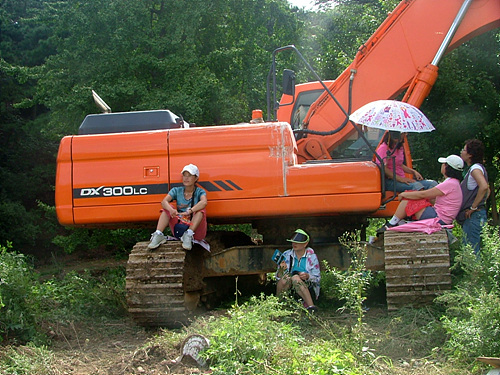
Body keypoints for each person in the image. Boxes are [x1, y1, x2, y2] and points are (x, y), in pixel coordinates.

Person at [377, 155, 463, 233]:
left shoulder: (450, 184)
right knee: (413, 197)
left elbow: (424, 194)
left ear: (446, 167)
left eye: (443, 164)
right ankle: (398, 221)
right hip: (442, 217)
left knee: (409, 198)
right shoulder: (454, 183)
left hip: (439, 219)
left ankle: (392, 223)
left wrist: (404, 194)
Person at [148, 164, 208, 250]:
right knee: (168, 207)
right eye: (184, 175)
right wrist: (171, 210)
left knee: (201, 209)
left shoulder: (199, 192)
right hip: (179, 227)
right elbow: (164, 202)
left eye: (189, 175)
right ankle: (158, 234)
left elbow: (204, 202)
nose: (186, 178)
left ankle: (188, 234)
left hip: (195, 230)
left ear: (196, 178)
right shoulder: (176, 190)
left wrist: (190, 211)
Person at [276, 229, 321, 313]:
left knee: (296, 278)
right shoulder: (286, 254)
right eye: (293, 242)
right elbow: (279, 277)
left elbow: (317, 278)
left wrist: (308, 276)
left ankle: (311, 306)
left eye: (297, 242)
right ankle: (278, 304)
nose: (294, 244)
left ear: (305, 243)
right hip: (290, 287)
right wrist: (281, 269)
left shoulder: (312, 257)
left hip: (307, 287)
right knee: (285, 278)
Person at [457, 139, 489, 254]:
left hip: (473, 216)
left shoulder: (475, 169)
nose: (462, 152)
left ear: (470, 155)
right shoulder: (478, 168)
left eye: (464, 150)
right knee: (473, 248)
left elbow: (484, 187)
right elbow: (488, 190)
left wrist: (473, 207)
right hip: (478, 214)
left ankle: (475, 272)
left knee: (471, 251)